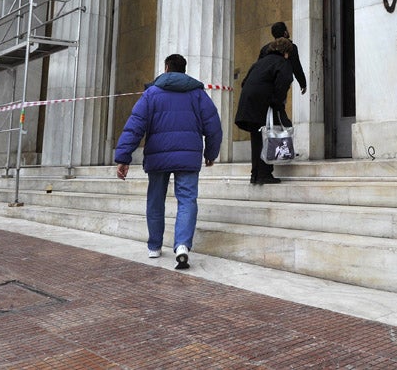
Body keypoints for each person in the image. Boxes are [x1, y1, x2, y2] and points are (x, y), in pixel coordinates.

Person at [114, 53, 222, 270]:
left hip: (158, 156)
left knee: (155, 200)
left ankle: (154, 246)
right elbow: (214, 125)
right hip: (188, 156)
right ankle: (182, 245)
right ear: (184, 69)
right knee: (187, 200)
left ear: (166, 68)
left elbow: (135, 125)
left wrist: (123, 157)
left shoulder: (151, 94)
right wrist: (211, 153)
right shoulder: (198, 94)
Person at [237, 37, 293, 184]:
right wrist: (276, 102)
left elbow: (244, 82)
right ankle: (264, 174)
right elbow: (283, 83)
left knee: (257, 139)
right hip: (263, 104)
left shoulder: (259, 63)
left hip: (249, 104)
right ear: (286, 52)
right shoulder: (282, 63)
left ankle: (255, 174)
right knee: (268, 137)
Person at [258, 22, 306, 95]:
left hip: (264, 85)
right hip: (280, 85)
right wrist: (303, 83)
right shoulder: (291, 47)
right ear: (285, 33)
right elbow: (296, 67)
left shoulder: (265, 49)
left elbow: (258, 68)